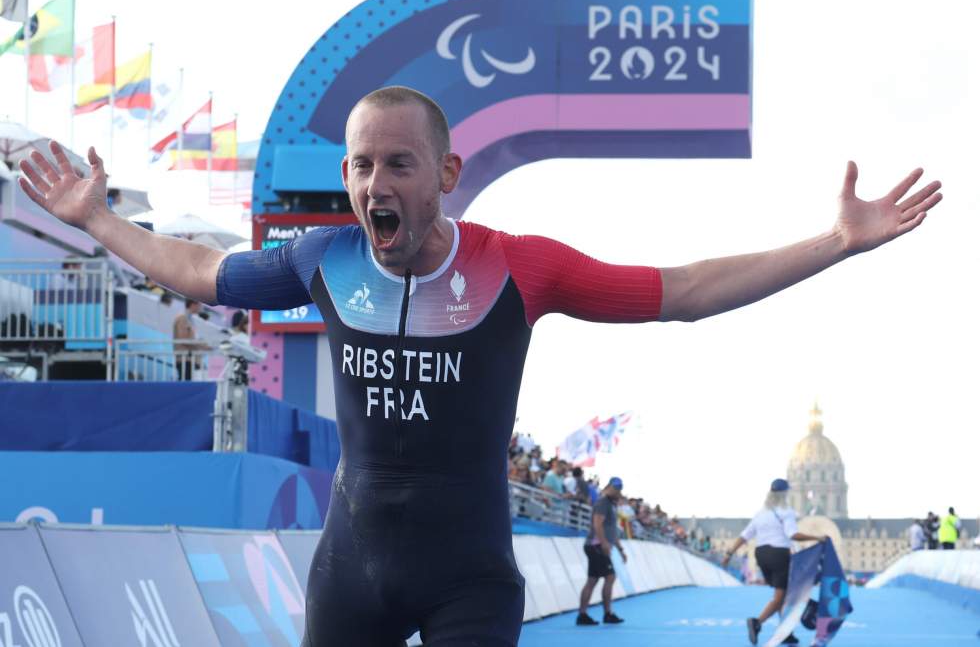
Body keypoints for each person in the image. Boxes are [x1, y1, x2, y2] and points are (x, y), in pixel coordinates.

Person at [17, 84, 941, 646]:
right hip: (352, 571)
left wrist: (835, 242)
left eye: (400, 165)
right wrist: (98, 221)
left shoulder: (519, 266)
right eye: (361, 166)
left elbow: (687, 288)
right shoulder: (321, 258)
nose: (376, 184)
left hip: (469, 577)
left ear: (448, 172)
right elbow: (199, 270)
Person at [722, 479, 826, 646]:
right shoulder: (786, 512)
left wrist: (729, 553)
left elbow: (745, 535)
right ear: (785, 494)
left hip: (761, 555)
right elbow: (792, 534)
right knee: (780, 596)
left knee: (782, 595)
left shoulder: (761, 513)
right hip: (779, 555)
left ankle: (786, 633)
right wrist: (817, 538)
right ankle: (757, 622)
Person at [576, 477, 627, 626]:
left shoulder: (610, 504)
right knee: (609, 577)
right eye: (615, 488)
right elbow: (597, 524)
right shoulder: (603, 503)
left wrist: (621, 549)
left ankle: (584, 614)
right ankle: (605, 613)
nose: (617, 491)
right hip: (596, 546)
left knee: (593, 580)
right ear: (608, 487)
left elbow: (612, 531)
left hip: (597, 545)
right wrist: (604, 543)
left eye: (619, 488)